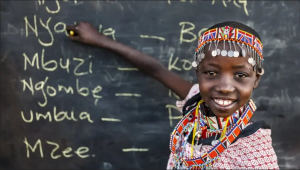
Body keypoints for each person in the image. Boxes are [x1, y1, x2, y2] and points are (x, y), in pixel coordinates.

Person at [66, 21, 279, 169]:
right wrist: (100, 40)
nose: (224, 86)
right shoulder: (197, 102)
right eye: (211, 73)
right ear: (198, 74)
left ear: (256, 79)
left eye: (240, 75)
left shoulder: (254, 151)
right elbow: (156, 70)